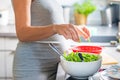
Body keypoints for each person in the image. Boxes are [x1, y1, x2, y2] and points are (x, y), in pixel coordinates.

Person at [12, 0, 90, 80]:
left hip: (57, 67)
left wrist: (71, 29)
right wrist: (55, 28)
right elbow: (22, 33)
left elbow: (50, 22)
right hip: (33, 66)